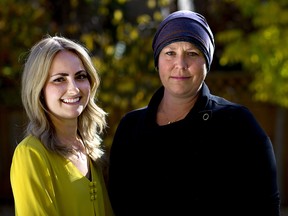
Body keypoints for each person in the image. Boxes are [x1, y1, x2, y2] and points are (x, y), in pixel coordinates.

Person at [107, 10, 280, 216]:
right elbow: (118, 205)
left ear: (207, 61)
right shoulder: (131, 128)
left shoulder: (238, 124)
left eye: (192, 53)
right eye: (170, 53)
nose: (180, 64)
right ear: (157, 61)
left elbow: (265, 206)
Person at [10, 35, 114, 216]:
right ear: (39, 89)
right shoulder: (31, 154)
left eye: (80, 76)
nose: (74, 89)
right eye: (59, 79)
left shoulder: (90, 151)